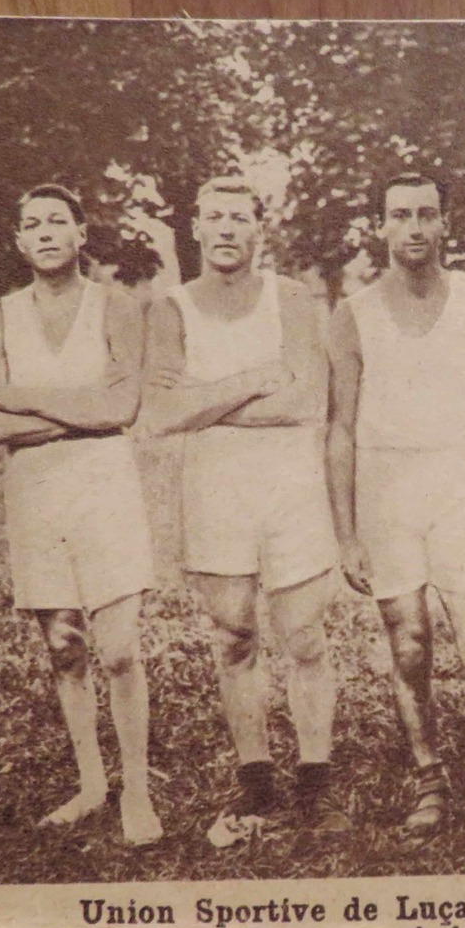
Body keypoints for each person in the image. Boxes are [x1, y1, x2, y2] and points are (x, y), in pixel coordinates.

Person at [326, 171, 465, 841]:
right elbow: (339, 428)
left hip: (459, 482)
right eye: (401, 215)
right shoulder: (352, 312)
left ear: (446, 223)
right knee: (410, 642)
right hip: (388, 489)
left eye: (427, 214)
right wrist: (346, 536)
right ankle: (429, 779)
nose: (415, 228)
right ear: (380, 225)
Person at [139, 176, 346, 841]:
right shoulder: (171, 307)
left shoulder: (291, 298)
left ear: (261, 228)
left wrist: (210, 397)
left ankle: (317, 777)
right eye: (214, 218)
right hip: (215, 485)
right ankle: (255, 778)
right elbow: (164, 413)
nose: (226, 229)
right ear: (195, 228)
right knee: (233, 635)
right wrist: (255, 380)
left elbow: (305, 402)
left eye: (239, 218)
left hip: (290, 481)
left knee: (304, 633)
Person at [0, 184, 162, 846]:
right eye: (32, 223)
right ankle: (92, 783)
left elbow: (119, 409)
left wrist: (28, 398)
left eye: (58, 221)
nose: (46, 232)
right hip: (35, 490)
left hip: (103, 479)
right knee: (64, 646)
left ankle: (136, 788)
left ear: (83, 234)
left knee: (116, 648)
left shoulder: (117, 304)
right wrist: (71, 409)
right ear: (19, 241)